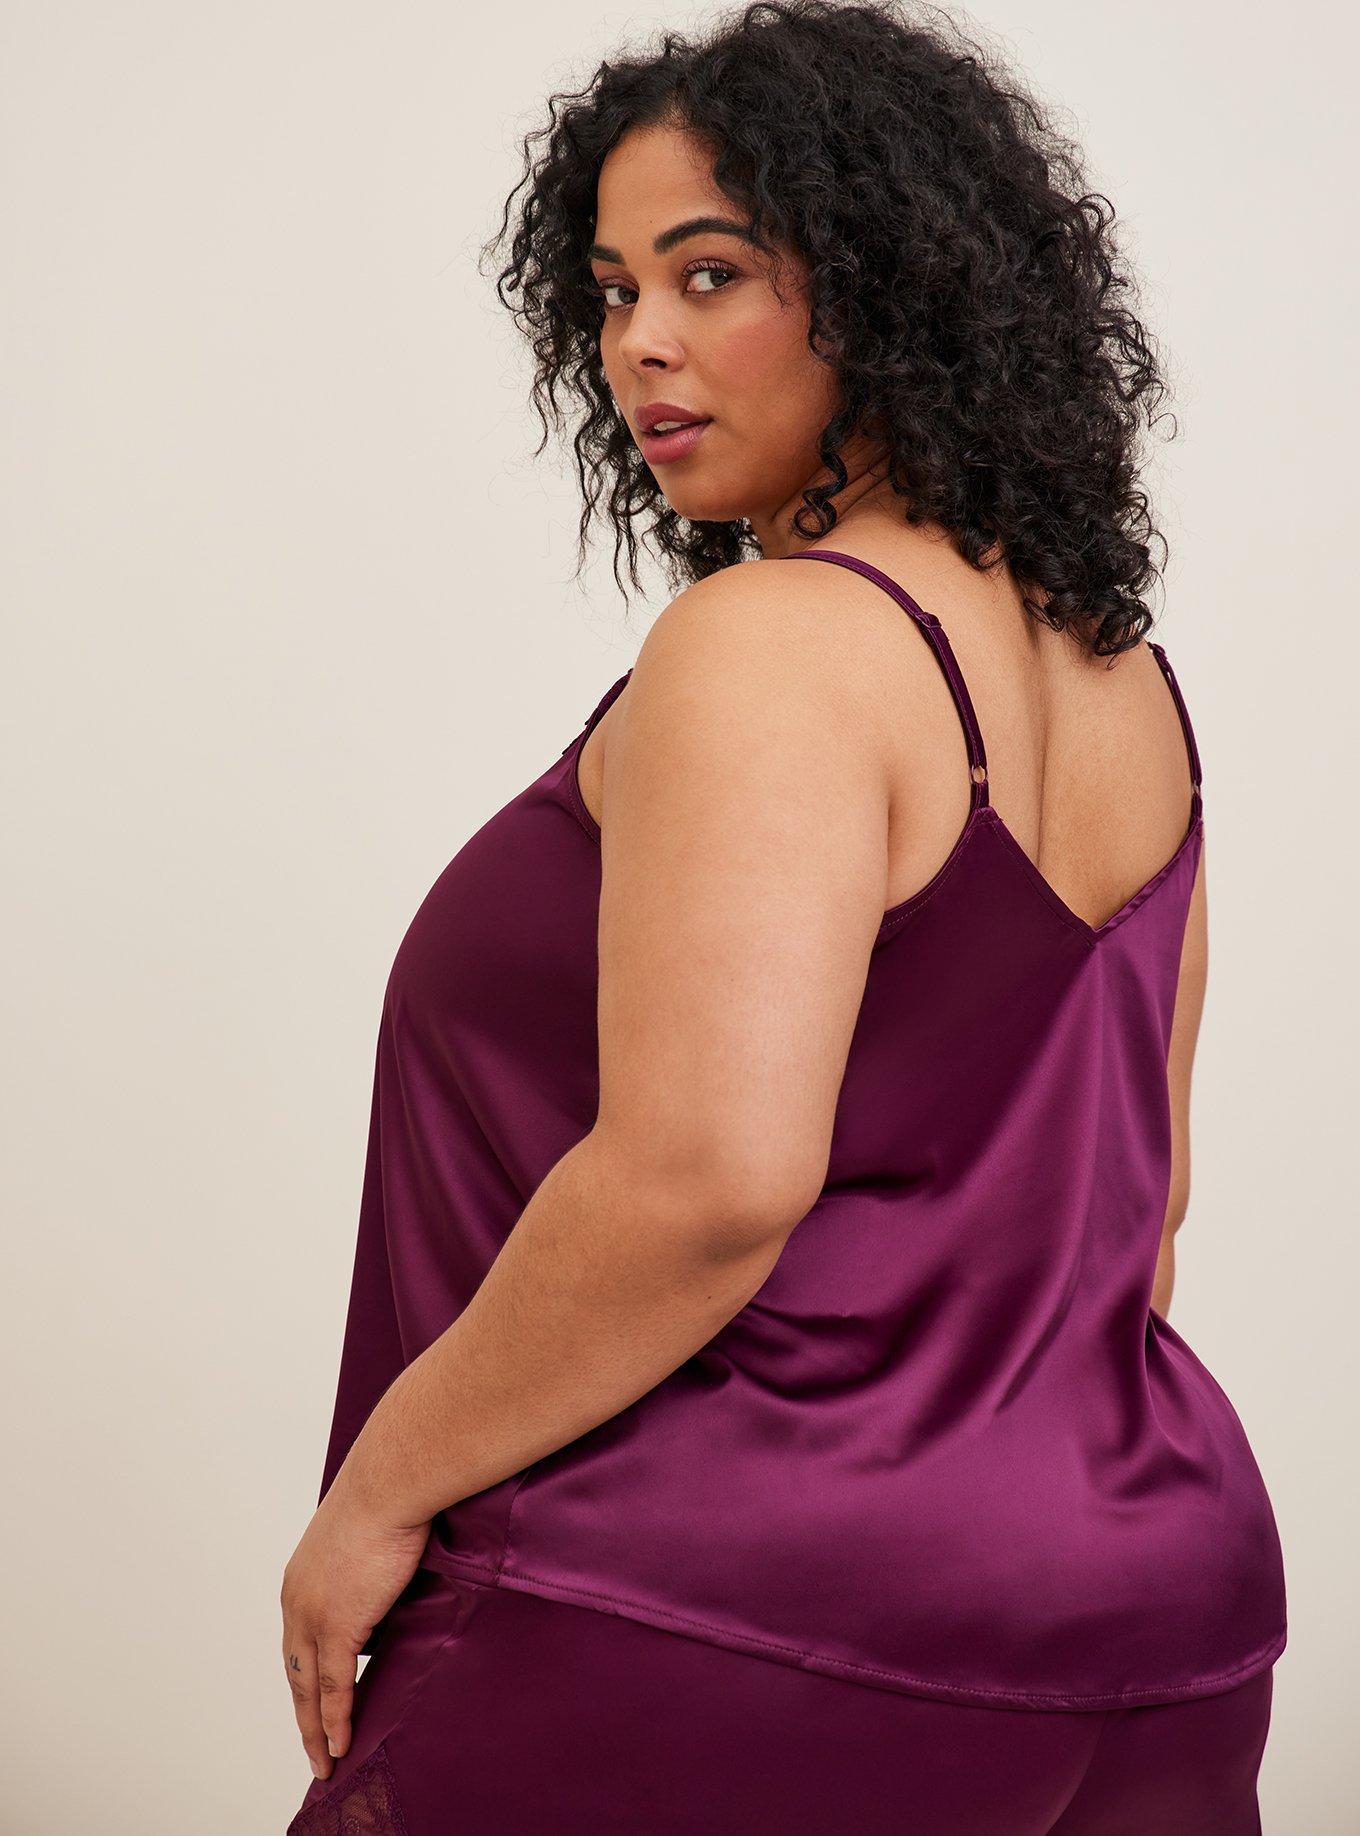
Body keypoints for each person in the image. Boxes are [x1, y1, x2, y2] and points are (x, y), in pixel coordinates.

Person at [280, 3, 1287, 1829]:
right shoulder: (1123, 677)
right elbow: (1137, 1226)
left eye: (712, 272)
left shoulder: (774, 646)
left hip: (729, 1612)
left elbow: (709, 1181)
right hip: (1160, 1611)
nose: (639, 344)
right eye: (610, 292)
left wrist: (378, 1492)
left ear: (894, 285)